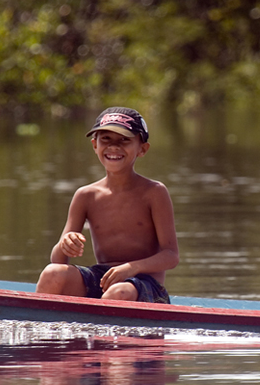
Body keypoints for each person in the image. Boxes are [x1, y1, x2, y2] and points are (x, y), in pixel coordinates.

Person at [35, 106, 179, 303]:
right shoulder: (85, 195)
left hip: (145, 284)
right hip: (103, 278)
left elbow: (171, 256)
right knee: (52, 273)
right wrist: (65, 244)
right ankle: (41, 329)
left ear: (142, 149)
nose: (114, 147)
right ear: (95, 145)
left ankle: (105, 329)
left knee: (118, 293)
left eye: (124, 140)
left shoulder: (154, 192)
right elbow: (58, 260)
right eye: (106, 139)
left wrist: (132, 267)